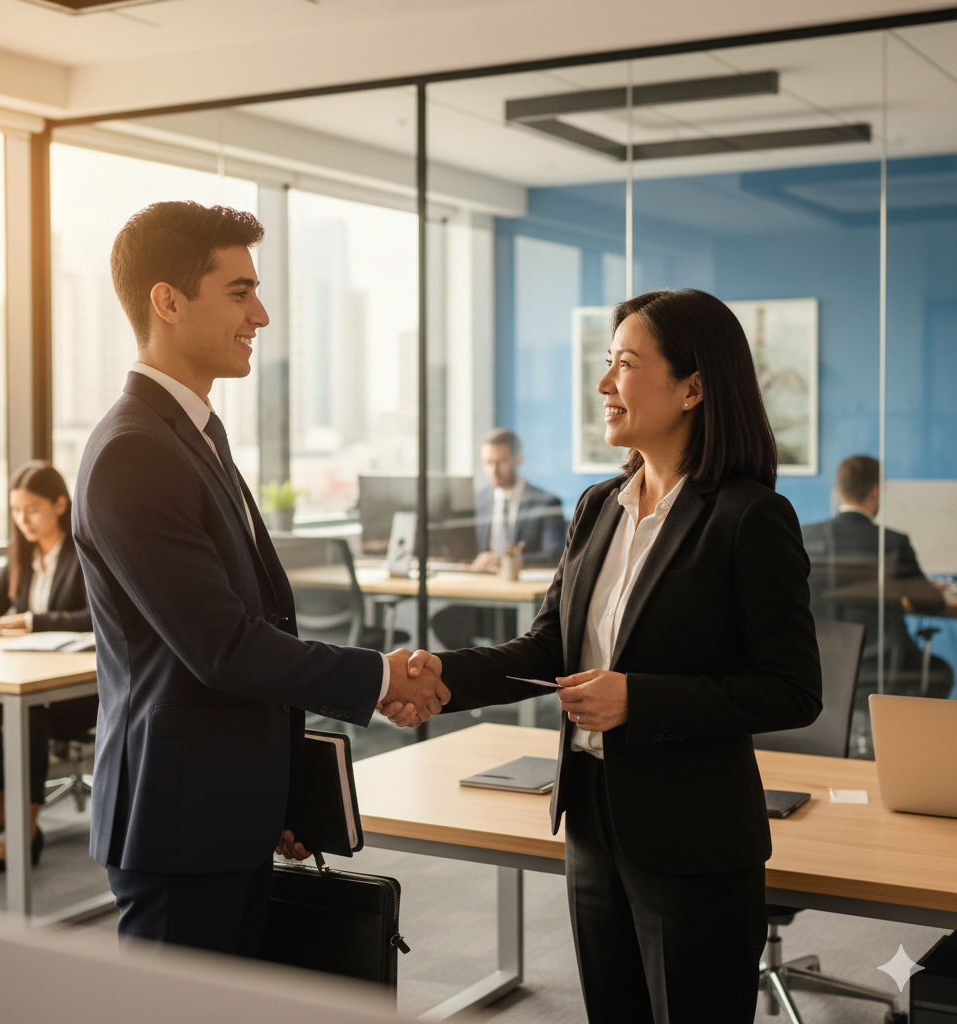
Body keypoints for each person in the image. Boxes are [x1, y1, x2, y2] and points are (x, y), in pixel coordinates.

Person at [386, 289, 822, 1024]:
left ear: (693, 387)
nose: (603, 384)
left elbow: (790, 689)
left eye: (624, 363)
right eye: (606, 362)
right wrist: (443, 676)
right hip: (592, 819)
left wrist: (638, 700)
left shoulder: (749, 516)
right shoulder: (598, 506)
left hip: (694, 841)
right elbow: (549, 646)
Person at [73, 201, 446, 958]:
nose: (262, 314)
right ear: (168, 302)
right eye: (239, 291)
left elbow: (252, 630)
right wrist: (379, 675)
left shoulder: (195, 435)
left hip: (222, 804)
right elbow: (223, 646)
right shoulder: (135, 450)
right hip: (177, 818)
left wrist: (272, 788)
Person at [0, 460, 96, 873]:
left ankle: (27, 828)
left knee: (28, 712)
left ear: (60, 505)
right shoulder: (22, 554)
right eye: (16, 510)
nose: (23, 519)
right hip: (32, 673)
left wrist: (29, 620)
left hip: (79, 689)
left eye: (32, 508)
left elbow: (93, 616)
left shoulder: (85, 553)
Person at [802, 454, 950, 696]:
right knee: (941, 671)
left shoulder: (806, 537)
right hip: (882, 666)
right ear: (875, 491)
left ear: (839, 490)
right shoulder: (892, 542)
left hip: (822, 664)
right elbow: (932, 603)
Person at [431, 428, 565, 649]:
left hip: (522, 603)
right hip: (482, 596)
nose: (493, 470)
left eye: (501, 461)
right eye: (487, 462)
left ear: (518, 460)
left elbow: (554, 554)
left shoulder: (545, 502)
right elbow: (461, 547)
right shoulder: (476, 500)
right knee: (444, 622)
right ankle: (479, 672)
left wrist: (505, 561)